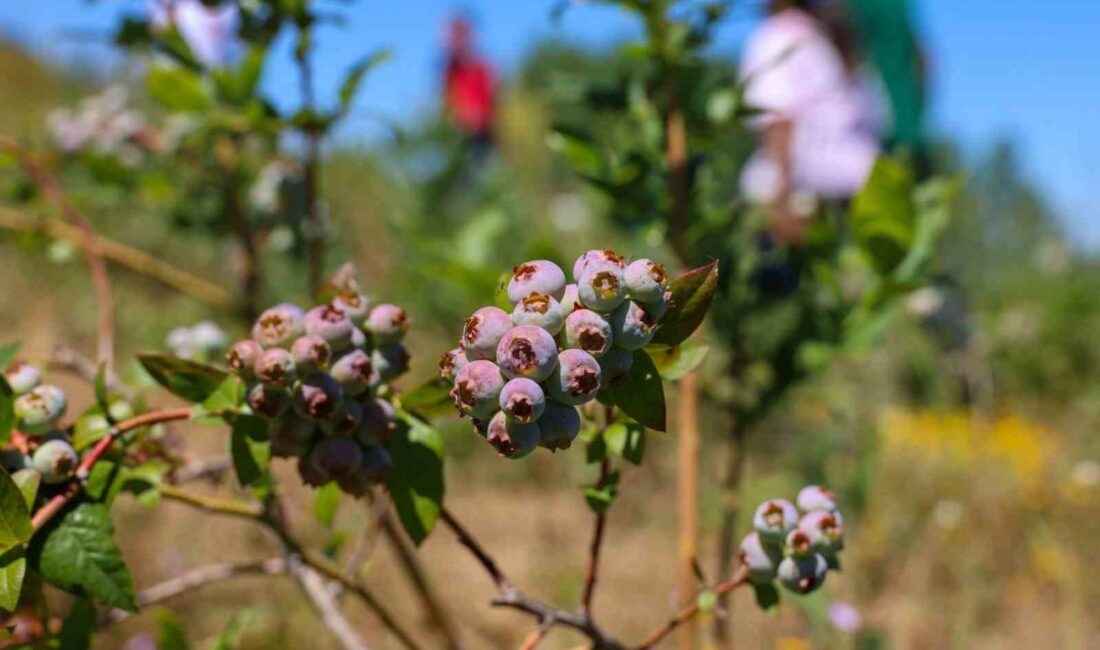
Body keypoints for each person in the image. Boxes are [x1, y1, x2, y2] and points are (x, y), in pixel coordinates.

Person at [739, 0, 880, 245]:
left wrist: (780, 196)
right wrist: (781, 199)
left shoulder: (791, 35)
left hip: (824, 194)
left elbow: (776, 117)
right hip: (822, 192)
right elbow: (778, 120)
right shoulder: (790, 36)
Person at [843, 0, 928, 171]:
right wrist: (915, 110)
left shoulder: (854, 6)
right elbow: (923, 61)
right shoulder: (899, 5)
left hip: (869, 133)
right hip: (909, 127)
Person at [442, 16, 496, 153]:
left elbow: (492, 103)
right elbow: (447, 105)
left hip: (482, 135)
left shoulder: (481, 68)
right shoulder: (451, 71)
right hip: (458, 135)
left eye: (460, 35)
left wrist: (478, 117)